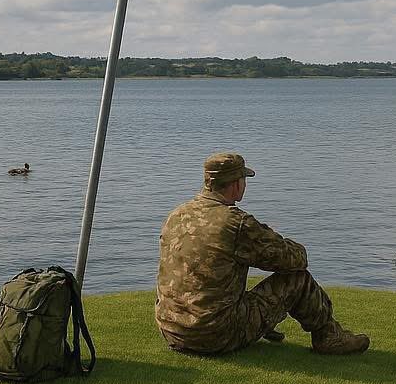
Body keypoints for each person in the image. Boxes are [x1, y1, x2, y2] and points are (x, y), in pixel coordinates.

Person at [156, 152, 370, 356]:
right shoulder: (236, 223)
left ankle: (260, 323)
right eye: (244, 179)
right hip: (216, 335)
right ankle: (329, 337)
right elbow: (294, 260)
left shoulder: (175, 215)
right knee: (298, 280)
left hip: (173, 331)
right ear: (236, 183)